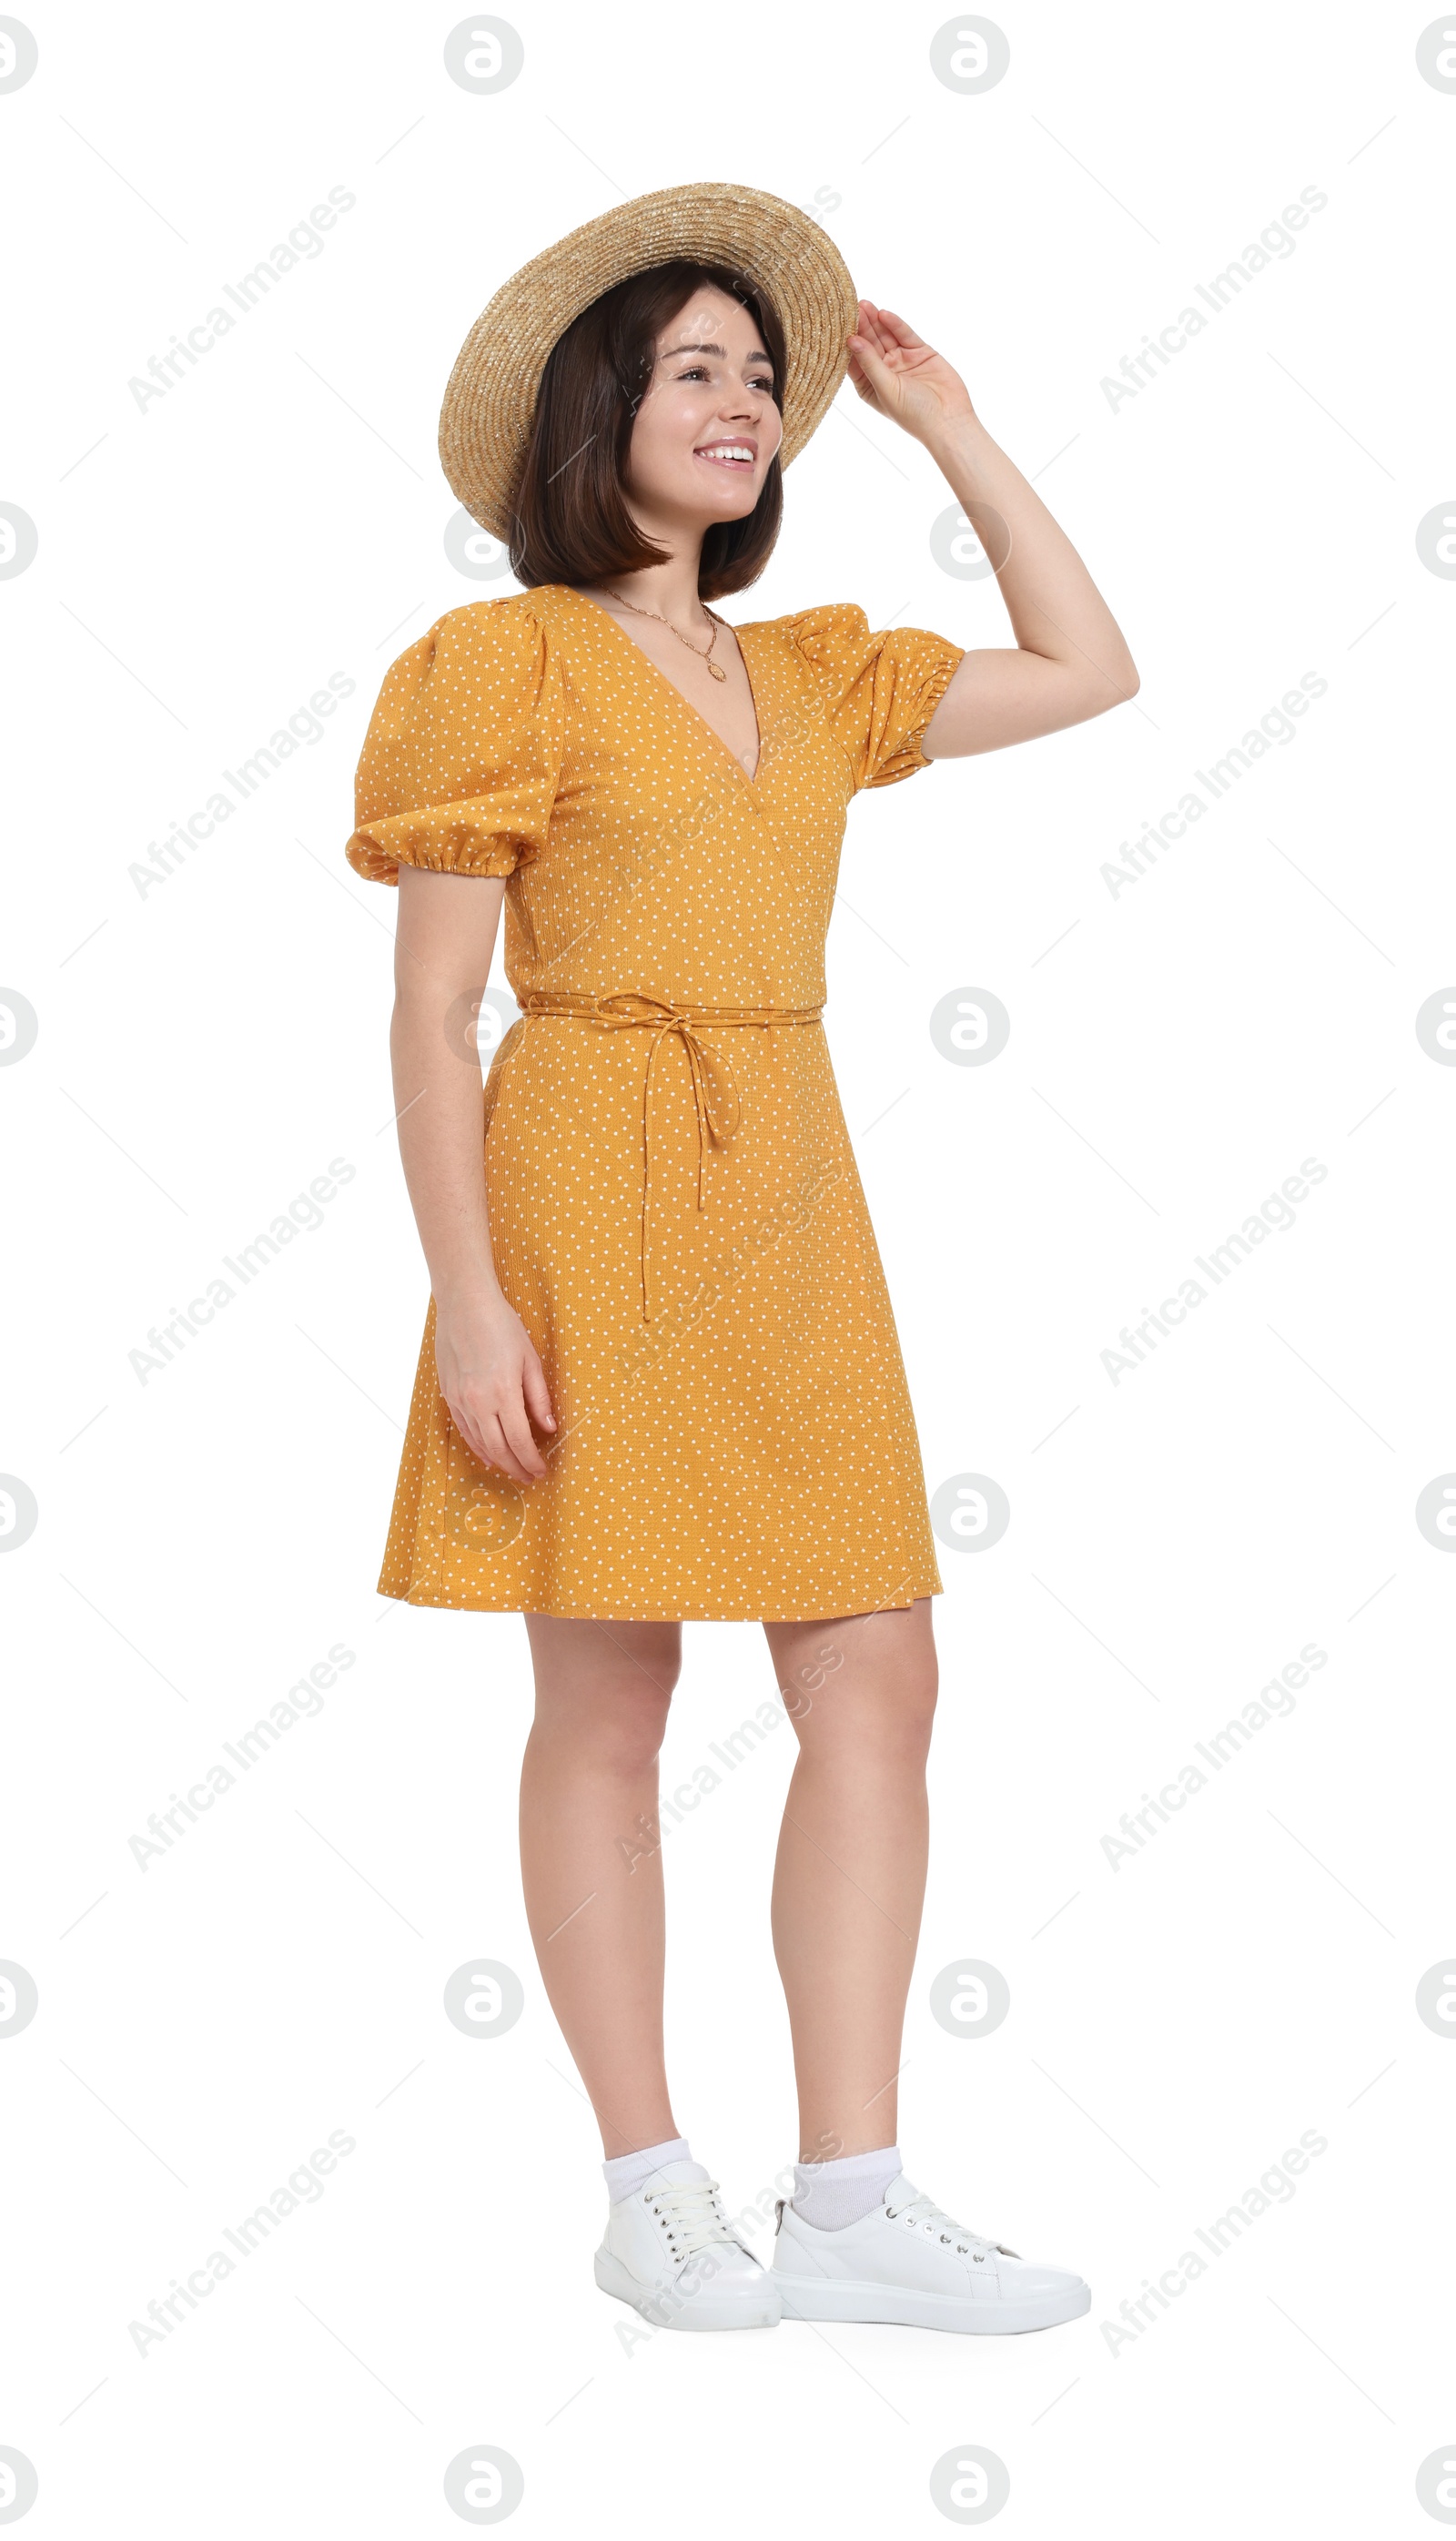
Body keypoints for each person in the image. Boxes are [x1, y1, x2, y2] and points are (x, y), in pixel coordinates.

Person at [345, 183, 1138, 2337]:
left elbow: (1090, 664)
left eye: (757, 375)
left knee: (874, 1660)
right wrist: (471, 1300)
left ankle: (855, 2190)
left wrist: (951, 430)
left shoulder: (811, 666)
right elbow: (431, 1017)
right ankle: (645, 2185)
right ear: (593, 410)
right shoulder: (494, 659)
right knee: (610, 1684)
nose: (743, 399)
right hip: (584, 1164)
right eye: (691, 365)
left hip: (788, 1177)